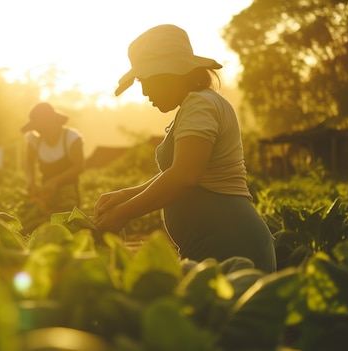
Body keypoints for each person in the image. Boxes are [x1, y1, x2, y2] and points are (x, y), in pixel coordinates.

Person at [93, 24, 276, 273]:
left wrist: (124, 213)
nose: (145, 92)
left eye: (145, 80)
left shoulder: (200, 104)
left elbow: (185, 176)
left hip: (232, 245)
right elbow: (179, 169)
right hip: (212, 246)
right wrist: (127, 194)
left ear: (169, 73)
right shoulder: (195, 106)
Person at [20, 102, 85, 233]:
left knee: (63, 225)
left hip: (68, 193)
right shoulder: (35, 140)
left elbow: (80, 166)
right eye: (38, 129)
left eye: (43, 127)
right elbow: (29, 162)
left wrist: (55, 181)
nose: (40, 131)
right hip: (45, 192)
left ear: (54, 123)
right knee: (29, 221)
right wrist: (31, 181)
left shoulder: (71, 138)